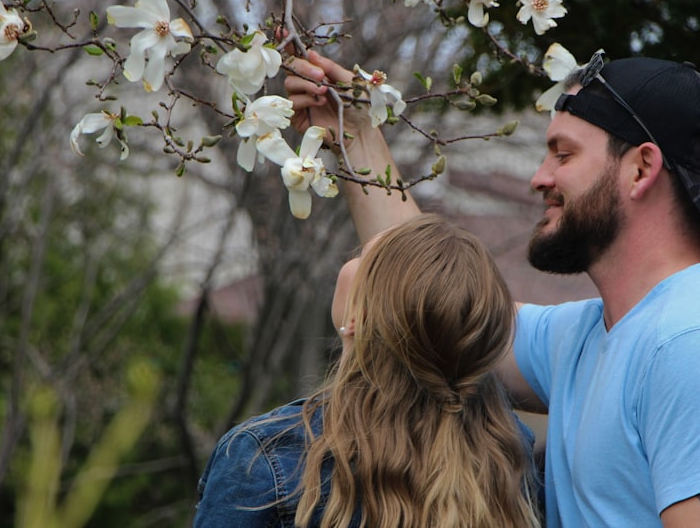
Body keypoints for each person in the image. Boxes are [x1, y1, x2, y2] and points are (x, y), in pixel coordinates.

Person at [284, 50, 700, 527]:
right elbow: (426, 298)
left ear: (641, 168)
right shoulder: (590, 336)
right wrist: (355, 131)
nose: (539, 177)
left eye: (562, 154)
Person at [193, 214, 544, 527]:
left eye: (362, 256)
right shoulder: (507, 448)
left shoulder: (264, 456)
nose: (351, 260)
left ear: (358, 317)